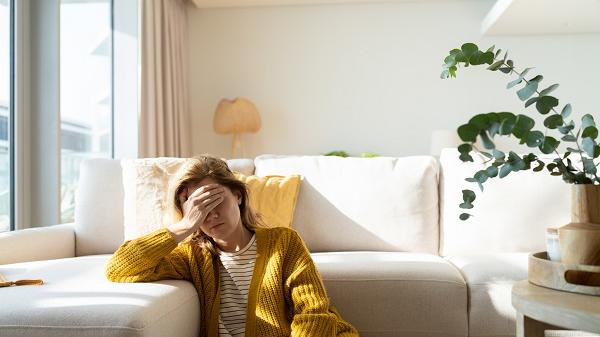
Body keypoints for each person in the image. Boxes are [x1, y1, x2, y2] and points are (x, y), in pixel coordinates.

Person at [105, 155, 359, 337]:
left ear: (237, 196)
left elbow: (313, 312)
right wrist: (184, 226)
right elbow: (120, 268)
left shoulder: (284, 242)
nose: (211, 215)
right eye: (199, 208)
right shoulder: (191, 256)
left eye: (216, 200)